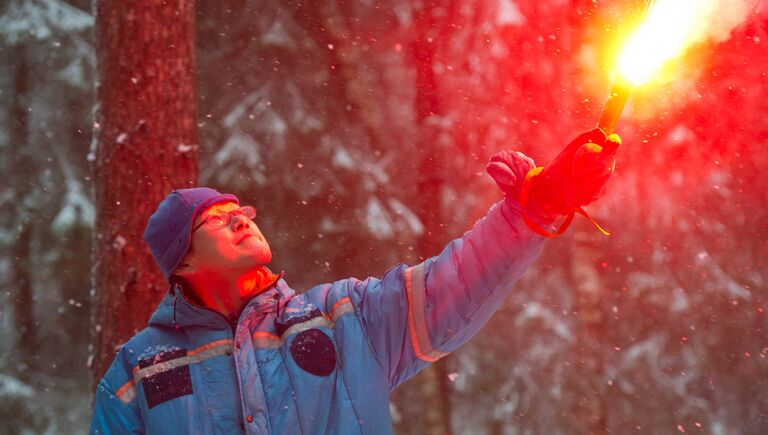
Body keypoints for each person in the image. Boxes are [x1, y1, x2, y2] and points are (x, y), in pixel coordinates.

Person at [89, 128, 620, 434]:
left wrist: (533, 210)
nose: (241, 219)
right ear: (182, 264)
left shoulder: (343, 318)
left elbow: (450, 286)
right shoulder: (137, 373)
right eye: (216, 220)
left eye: (242, 210)